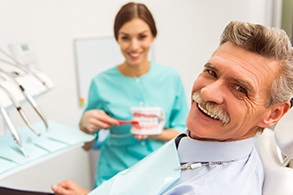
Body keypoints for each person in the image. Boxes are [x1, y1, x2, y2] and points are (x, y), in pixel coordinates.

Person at [52, 20, 293, 195]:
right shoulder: (199, 141)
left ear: (273, 114)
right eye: (211, 72)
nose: (207, 92)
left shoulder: (209, 186)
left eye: (239, 89)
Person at [79, 2, 188, 188]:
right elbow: (87, 145)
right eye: (126, 38)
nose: (134, 46)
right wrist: (85, 126)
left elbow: (185, 134)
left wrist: (157, 133)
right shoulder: (100, 82)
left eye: (142, 36)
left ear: (153, 36)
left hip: (161, 176)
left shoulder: (170, 77)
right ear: (117, 39)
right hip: (114, 178)